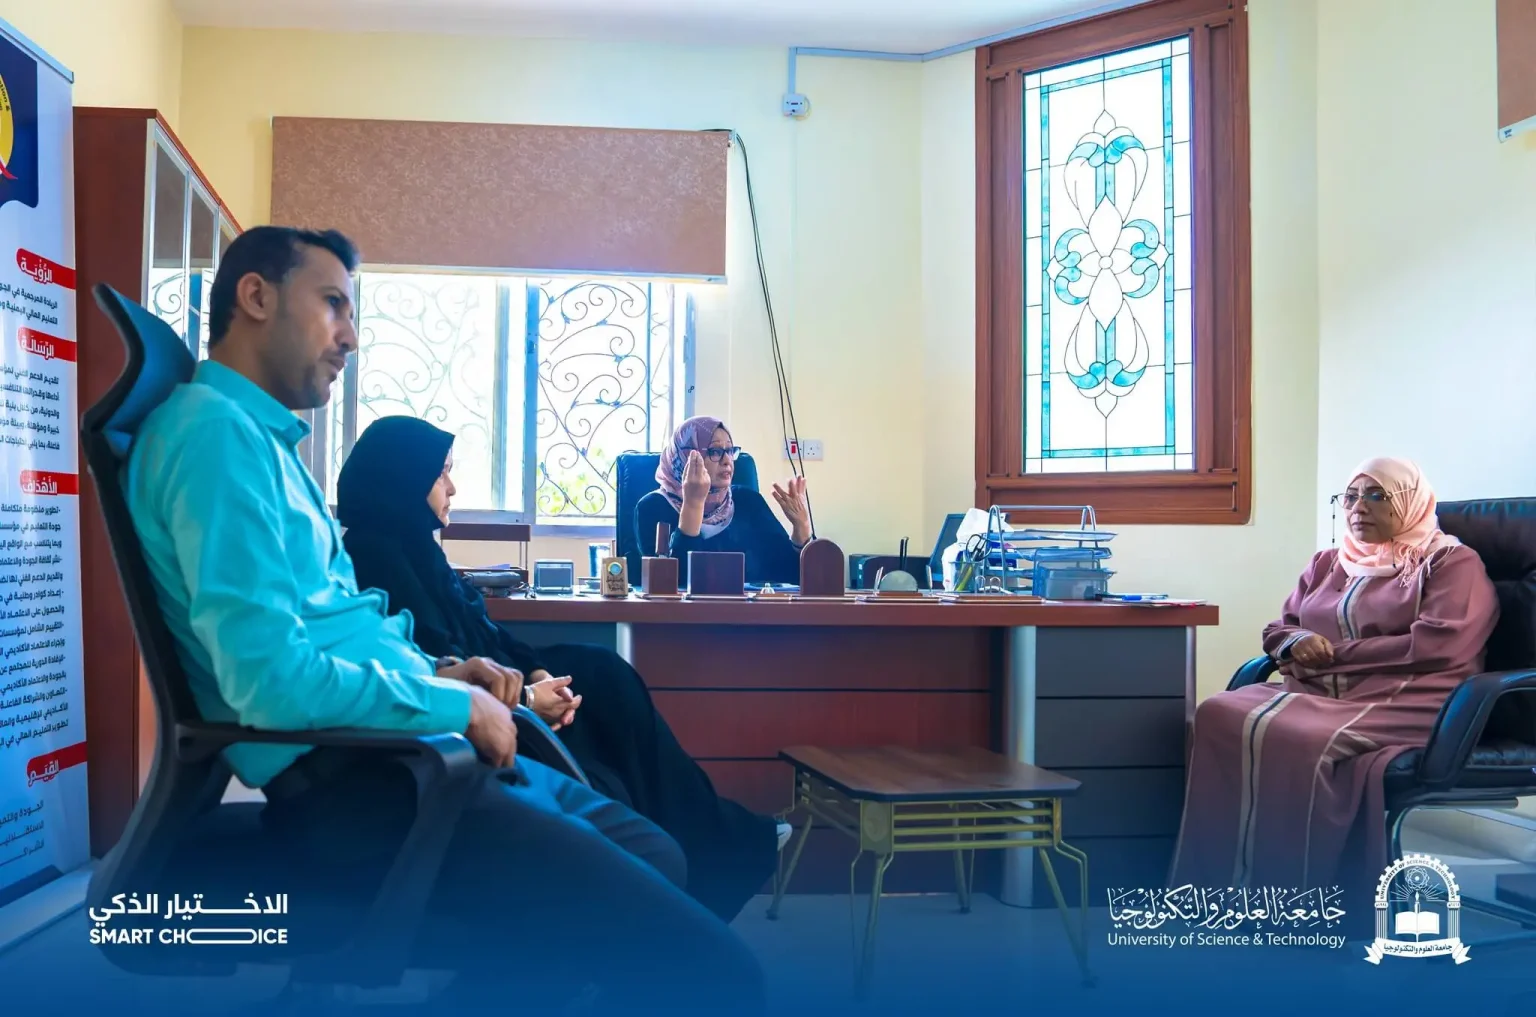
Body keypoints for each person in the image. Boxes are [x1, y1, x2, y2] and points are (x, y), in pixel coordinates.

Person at [123, 225, 764, 1012]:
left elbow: (326, 632)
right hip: (376, 785)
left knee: (656, 853)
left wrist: (438, 672)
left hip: (409, 755)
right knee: (722, 976)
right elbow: (271, 682)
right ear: (255, 296)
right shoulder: (216, 438)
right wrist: (455, 702)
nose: (351, 335)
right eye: (332, 304)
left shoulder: (260, 443)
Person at [335, 413, 789, 922]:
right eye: (441, 474)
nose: (453, 488)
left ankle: (708, 843)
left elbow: (488, 635)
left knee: (604, 672)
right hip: (479, 710)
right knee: (607, 704)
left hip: (503, 683)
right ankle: (717, 845)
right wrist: (530, 699)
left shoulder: (416, 547)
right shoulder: (375, 558)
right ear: (403, 478)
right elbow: (441, 658)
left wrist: (535, 675)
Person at [1168, 458, 1498, 931]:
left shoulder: (1449, 563)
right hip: (1320, 691)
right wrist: (1295, 642)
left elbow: (1439, 644)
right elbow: (1280, 627)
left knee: (1296, 735)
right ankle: (1217, 889)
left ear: (1411, 503)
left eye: (1377, 495)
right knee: (1218, 712)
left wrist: (1333, 655)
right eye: (1350, 496)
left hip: (1410, 698)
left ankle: (1300, 904)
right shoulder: (1329, 562)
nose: (1358, 507)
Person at [635, 416, 811, 586]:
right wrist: (693, 505)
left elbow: (790, 576)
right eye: (715, 451)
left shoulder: (748, 501)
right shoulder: (652, 507)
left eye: (730, 451)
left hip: (750, 607)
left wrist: (801, 526)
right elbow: (671, 584)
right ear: (687, 457)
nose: (727, 460)